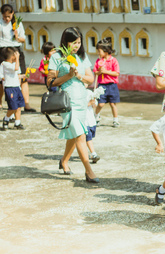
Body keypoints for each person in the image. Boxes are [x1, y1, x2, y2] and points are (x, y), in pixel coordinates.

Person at [47, 27, 99, 183]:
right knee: (80, 135)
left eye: (79, 42)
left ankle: (64, 161)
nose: (77, 46)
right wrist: (68, 76)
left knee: (75, 134)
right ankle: (89, 171)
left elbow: (90, 78)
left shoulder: (82, 56)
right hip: (66, 100)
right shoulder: (56, 57)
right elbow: (50, 82)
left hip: (82, 99)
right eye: (73, 43)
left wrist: (79, 75)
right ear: (65, 41)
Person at [0, 4, 35, 112]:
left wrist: (17, 36)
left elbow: (23, 39)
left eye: (8, 16)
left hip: (16, 50)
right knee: (3, 79)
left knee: (22, 77)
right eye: (4, 17)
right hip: (4, 51)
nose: (6, 19)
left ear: (12, 13)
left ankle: (26, 104)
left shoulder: (18, 24)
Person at [93, 39, 121, 128]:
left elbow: (116, 73)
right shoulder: (98, 61)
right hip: (102, 85)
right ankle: (96, 117)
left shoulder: (113, 61)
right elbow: (95, 72)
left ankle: (115, 120)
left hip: (112, 85)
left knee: (113, 104)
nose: (98, 53)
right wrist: (99, 72)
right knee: (100, 103)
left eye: (99, 51)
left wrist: (106, 71)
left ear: (105, 51)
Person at [0, 48, 25, 130]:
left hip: (17, 87)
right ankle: (6, 119)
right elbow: (16, 68)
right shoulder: (5, 64)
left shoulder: (14, 64)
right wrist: (17, 58)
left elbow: (16, 74)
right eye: (15, 55)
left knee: (19, 106)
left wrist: (22, 76)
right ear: (11, 56)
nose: (16, 56)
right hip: (10, 88)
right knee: (13, 107)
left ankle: (17, 123)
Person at [85, 87, 104, 164]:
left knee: (87, 138)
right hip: (83, 121)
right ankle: (93, 154)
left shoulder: (89, 92)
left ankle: (84, 153)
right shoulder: (77, 94)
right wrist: (88, 104)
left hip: (91, 120)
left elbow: (95, 106)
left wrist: (94, 101)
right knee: (88, 138)